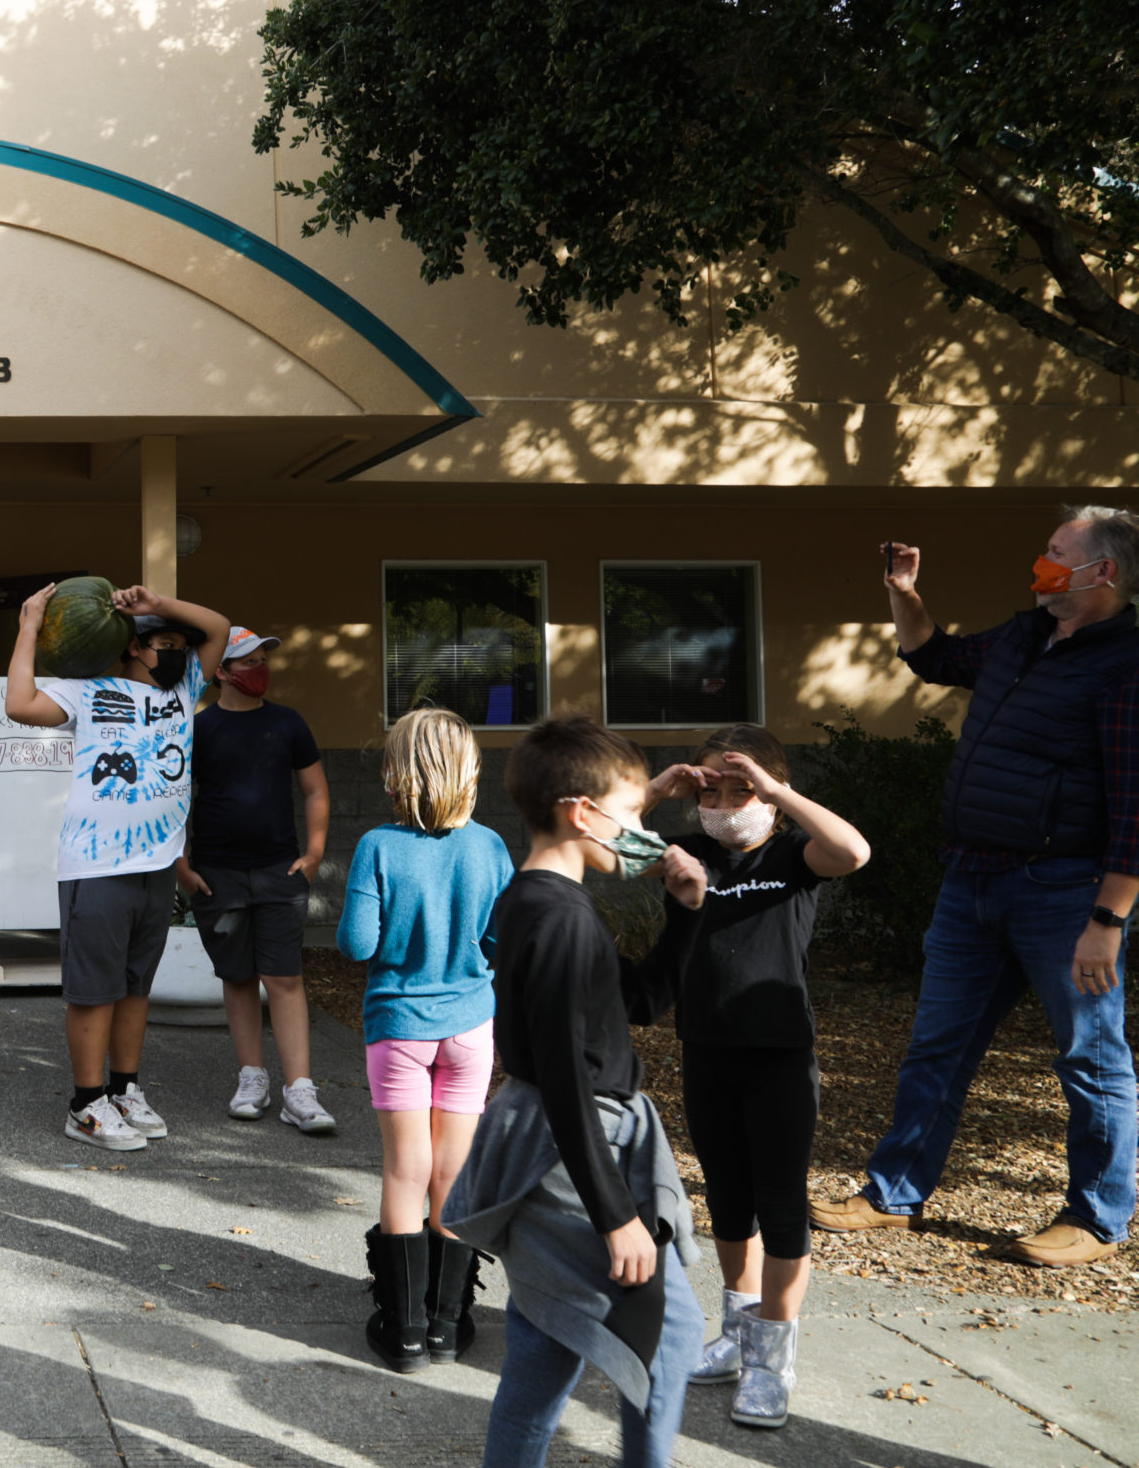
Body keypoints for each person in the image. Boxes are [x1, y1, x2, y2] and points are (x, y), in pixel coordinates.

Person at [811, 515, 1139, 1268]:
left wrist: (1108, 918)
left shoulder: (1125, 665)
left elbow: (1136, 806)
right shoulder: (1025, 636)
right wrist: (904, 592)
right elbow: (933, 656)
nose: (1043, 562)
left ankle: (1096, 1216)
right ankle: (892, 1194)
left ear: (1103, 574)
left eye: (1059, 554)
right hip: (972, 880)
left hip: (1064, 891)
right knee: (937, 1046)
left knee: (1090, 1058)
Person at [443, 715, 705, 1468]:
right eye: (630, 816)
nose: (639, 833)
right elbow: (562, 1074)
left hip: (567, 1140)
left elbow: (644, 1000)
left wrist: (686, 912)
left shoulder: (548, 900)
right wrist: (617, 1215)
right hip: (572, 1149)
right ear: (580, 812)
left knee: (543, 1345)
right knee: (670, 1334)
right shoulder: (558, 918)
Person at [624, 725, 870, 1431]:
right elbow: (600, 845)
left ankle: (772, 1359)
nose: (729, 802)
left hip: (781, 1056)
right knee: (728, 1200)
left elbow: (853, 850)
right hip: (707, 1047)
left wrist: (780, 791)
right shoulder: (688, 853)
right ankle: (739, 1330)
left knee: (780, 1201)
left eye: (744, 789)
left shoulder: (794, 853)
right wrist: (657, 790)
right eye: (715, 788)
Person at [4, 581, 228, 1151]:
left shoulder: (186, 693)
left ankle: (124, 1089)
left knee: (134, 988)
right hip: (96, 866)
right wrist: (29, 625)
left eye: (183, 645)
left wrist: (159, 606)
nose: (179, 653)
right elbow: (19, 703)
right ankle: (85, 1104)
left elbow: (220, 627)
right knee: (93, 991)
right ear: (134, 647)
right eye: (166, 643)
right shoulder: (86, 690)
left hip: (157, 866)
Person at [337, 707, 514, 1370]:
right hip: (471, 1027)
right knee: (452, 1172)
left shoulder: (378, 847)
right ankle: (448, 1322)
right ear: (470, 773)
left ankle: (404, 1327)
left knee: (404, 1170)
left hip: (398, 1027)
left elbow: (356, 942)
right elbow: (500, 942)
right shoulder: (492, 847)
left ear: (394, 776)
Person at [178, 627, 334, 1132]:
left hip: (278, 872)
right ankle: (252, 1078)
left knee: (285, 977)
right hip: (216, 874)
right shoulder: (197, 729)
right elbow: (176, 800)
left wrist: (312, 854)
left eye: (264, 658)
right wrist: (181, 866)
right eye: (248, 660)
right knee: (238, 978)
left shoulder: (288, 723)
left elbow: (315, 790)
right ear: (221, 671)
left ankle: (301, 1091)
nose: (260, 667)